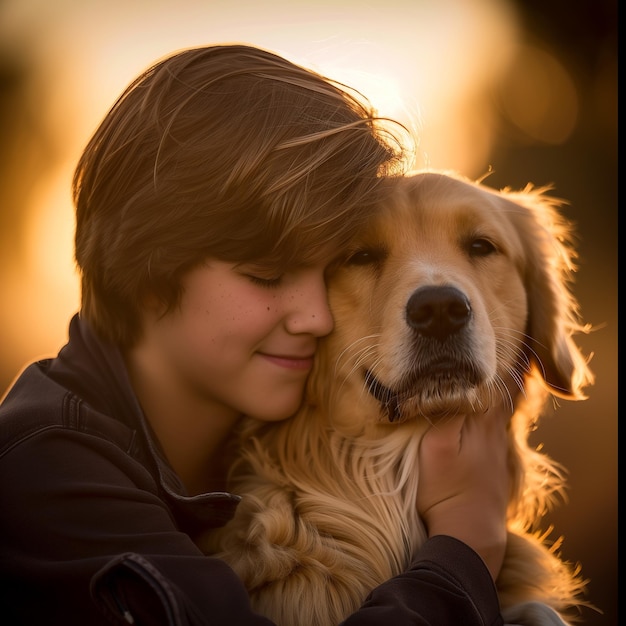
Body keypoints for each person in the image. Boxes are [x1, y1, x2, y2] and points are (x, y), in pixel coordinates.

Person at [0, 44, 510, 625]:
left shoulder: (258, 452)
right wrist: (464, 549)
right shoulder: (41, 477)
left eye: (332, 269)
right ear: (146, 274)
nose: (316, 317)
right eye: (267, 275)